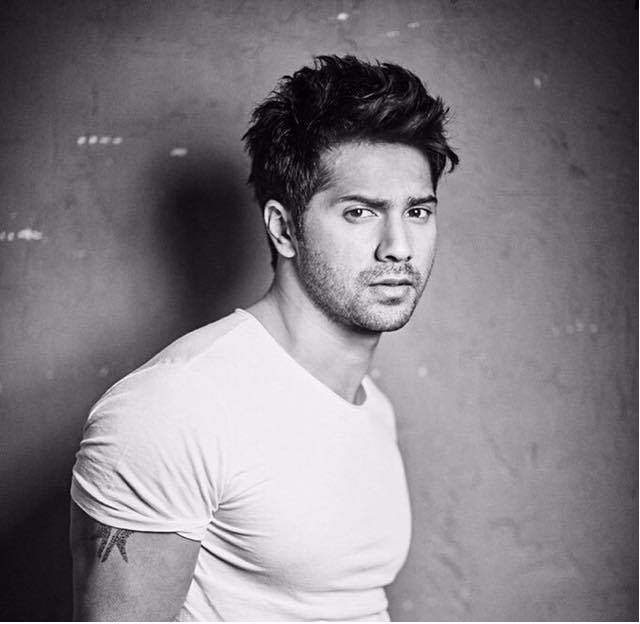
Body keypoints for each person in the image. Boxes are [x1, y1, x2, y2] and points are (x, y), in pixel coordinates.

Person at [69, 54, 459, 621]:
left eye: (417, 211)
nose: (398, 247)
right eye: (360, 212)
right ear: (283, 228)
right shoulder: (175, 405)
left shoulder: (372, 406)